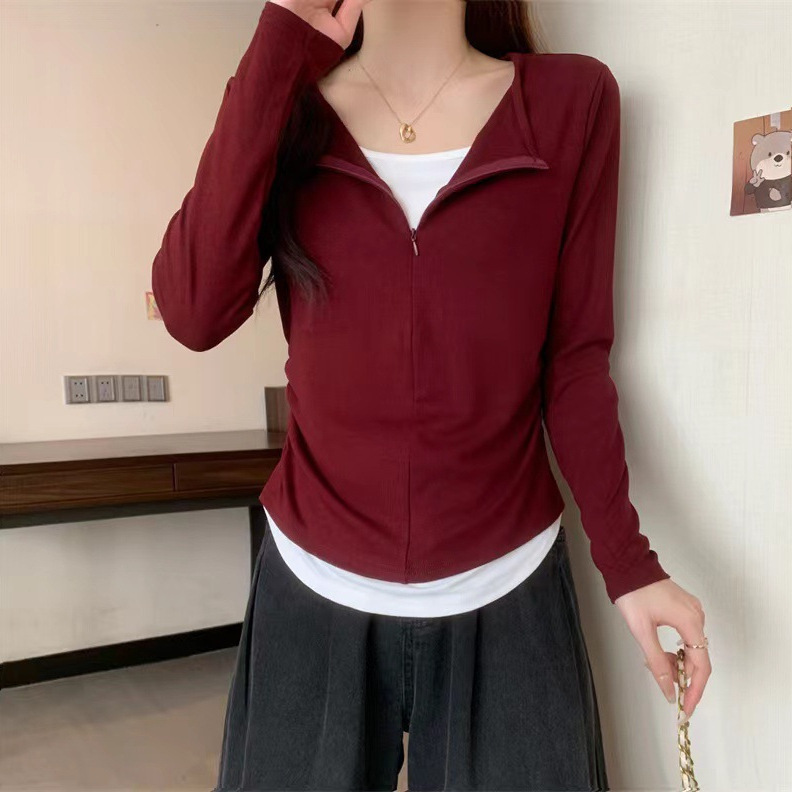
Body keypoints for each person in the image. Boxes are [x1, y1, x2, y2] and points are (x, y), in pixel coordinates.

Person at [151, 0, 712, 789]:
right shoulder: (289, 107)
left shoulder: (573, 101)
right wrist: (281, 40)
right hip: (310, 585)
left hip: (510, 589)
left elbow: (575, 361)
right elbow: (193, 311)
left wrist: (629, 562)